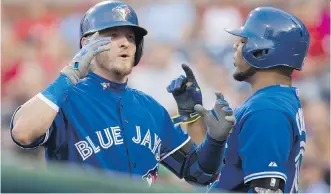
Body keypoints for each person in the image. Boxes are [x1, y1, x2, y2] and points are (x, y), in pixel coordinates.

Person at [10, 1, 236, 188]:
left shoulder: (151, 108)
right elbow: (22, 133)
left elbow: (198, 173)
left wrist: (212, 139)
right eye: (113, 35)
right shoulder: (65, 99)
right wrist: (70, 74)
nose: (125, 43)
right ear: (87, 44)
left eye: (130, 37)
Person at [198, 7, 310, 193]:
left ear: (261, 52)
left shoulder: (266, 110)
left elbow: (266, 189)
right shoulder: (278, 99)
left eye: (243, 41)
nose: (235, 46)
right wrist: (213, 140)